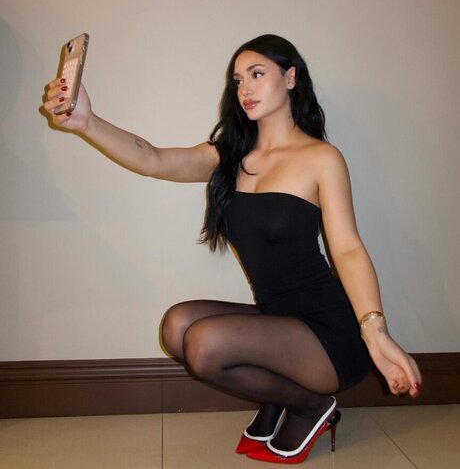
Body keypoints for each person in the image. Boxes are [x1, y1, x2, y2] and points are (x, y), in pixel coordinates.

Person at [44, 34, 422, 464]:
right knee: (176, 326)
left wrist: (375, 330)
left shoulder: (322, 159)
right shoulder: (231, 154)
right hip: (278, 322)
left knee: (204, 344)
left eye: (257, 74)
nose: (245, 89)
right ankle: (279, 394)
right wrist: (87, 122)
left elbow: (348, 250)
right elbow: (153, 159)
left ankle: (312, 403)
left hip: (327, 335)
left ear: (291, 78)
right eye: (238, 80)